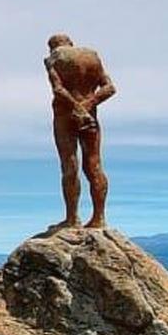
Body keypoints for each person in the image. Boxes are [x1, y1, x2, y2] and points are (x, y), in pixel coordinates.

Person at [44, 34, 116, 232]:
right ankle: (99, 218)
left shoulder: (54, 59)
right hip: (90, 117)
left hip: (65, 117)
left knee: (69, 165)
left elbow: (58, 90)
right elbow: (109, 88)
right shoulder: (92, 57)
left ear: (53, 46)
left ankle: (72, 218)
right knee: (94, 165)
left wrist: (77, 108)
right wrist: (87, 105)